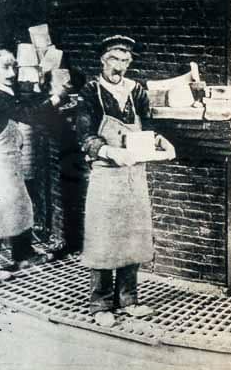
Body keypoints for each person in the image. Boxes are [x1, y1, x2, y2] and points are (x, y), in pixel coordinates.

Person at [75, 35, 179, 325]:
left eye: (124, 60)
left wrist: (160, 141)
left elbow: (149, 126)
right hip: (107, 173)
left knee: (133, 236)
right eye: (113, 60)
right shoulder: (90, 92)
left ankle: (129, 300)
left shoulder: (137, 91)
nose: (119, 66)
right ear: (102, 60)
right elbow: (84, 135)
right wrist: (108, 151)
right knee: (103, 238)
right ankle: (100, 305)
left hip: (134, 173)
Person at [0, 48, 66, 282]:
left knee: (21, 205)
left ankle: (23, 254)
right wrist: (56, 98)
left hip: (8, 158)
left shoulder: (4, 91)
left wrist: (45, 93)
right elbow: (28, 115)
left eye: (13, 66)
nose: (11, 72)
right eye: (5, 67)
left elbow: (25, 103)